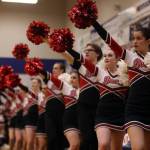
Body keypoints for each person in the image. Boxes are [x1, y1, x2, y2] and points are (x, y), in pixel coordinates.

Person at [92, 21, 150, 150]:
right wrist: (93, 22)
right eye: (133, 38)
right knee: (138, 147)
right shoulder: (131, 58)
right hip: (134, 110)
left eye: (139, 38)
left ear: (148, 41)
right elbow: (109, 40)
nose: (135, 41)